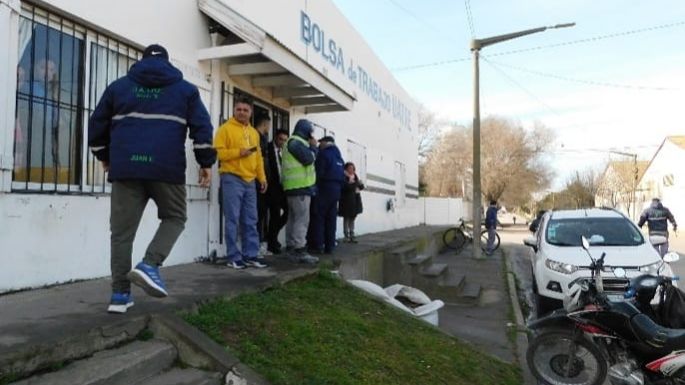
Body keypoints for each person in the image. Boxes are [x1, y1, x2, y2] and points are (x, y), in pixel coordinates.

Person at [88, 44, 216, 313]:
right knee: (175, 217)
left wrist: (104, 156)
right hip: (166, 168)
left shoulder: (118, 87)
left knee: (121, 234)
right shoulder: (186, 91)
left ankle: (120, 296)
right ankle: (150, 264)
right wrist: (206, 162)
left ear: (141, 60)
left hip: (126, 169)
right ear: (168, 63)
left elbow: (97, 125)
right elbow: (202, 127)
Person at [214, 96, 268, 270]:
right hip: (232, 178)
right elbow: (218, 153)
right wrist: (239, 152)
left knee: (251, 220)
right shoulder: (225, 129)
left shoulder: (254, 133)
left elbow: (258, 157)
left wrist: (262, 178)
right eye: (239, 109)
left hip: (251, 180)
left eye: (245, 110)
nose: (242, 112)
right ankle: (233, 256)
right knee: (232, 219)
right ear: (234, 110)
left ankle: (250, 255)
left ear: (251, 112)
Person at [282, 119, 319, 264]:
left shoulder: (291, 142)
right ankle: (300, 250)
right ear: (307, 131)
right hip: (301, 187)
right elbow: (308, 159)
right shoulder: (296, 143)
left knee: (293, 219)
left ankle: (291, 247)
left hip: (292, 187)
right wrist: (314, 148)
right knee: (302, 220)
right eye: (311, 131)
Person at [308, 136, 345, 253]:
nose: (320, 145)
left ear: (326, 143)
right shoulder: (339, 158)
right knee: (331, 219)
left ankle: (318, 245)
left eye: (321, 143)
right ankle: (330, 246)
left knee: (319, 217)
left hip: (324, 189)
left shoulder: (324, 155)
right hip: (336, 191)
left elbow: (318, 173)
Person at [265, 129, 289, 254]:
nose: (282, 142)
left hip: (282, 187)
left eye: (285, 140)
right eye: (281, 139)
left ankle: (271, 236)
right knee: (274, 215)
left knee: (288, 212)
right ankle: (272, 242)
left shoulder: (285, 151)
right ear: (275, 137)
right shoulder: (268, 148)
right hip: (271, 186)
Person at [253, 113, 271, 256]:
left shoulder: (261, 137)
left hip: (262, 180)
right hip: (257, 181)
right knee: (257, 214)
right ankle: (256, 245)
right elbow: (259, 160)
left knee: (262, 213)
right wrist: (262, 178)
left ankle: (259, 243)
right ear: (265, 124)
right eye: (268, 126)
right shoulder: (257, 137)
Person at [339, 162, 364, 243]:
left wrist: (360, 184)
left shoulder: (355, 177)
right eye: (349, 168)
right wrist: (356, 184)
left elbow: (361, 187)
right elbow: (347, 187)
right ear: (346, 169)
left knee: (353, 217)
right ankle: (346, 236)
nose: (351, 170)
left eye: (353, 168)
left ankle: (352, 234)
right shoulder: (344, 177)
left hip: (355, 200)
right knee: (346, 218)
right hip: (346, 201)